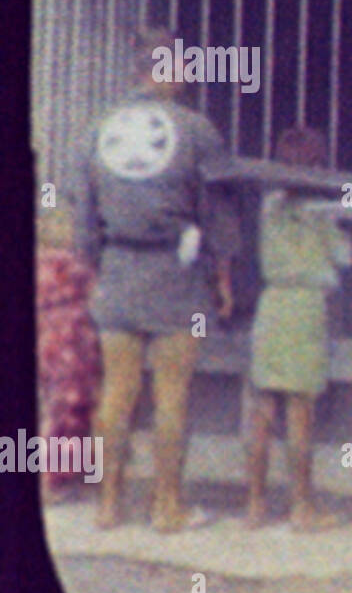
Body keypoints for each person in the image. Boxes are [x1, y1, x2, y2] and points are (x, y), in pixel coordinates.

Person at [75, 27, 240, 532]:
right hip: (176, 276)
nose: (191, 76)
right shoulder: (196, 130)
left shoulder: (96, 131)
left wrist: (99, 271)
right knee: (173, 395)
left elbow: (85, 224)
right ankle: (167, 507)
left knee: (115, 396)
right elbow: (220, 216)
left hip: (118, 277)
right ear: (166, 70)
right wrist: (225, 278)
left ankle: (108, 506)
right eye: (186, 67)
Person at [245, 127, 352, 532]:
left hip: (270, 303)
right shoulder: (320, 211)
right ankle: (301, 507)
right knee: (299, 413)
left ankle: (255, 506)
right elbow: (342, 258)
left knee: (261, 410)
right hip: (306, 305)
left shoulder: (268, 205)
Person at [37, 200, 101, 503]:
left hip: (43, 338)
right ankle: (55, 478)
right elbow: (96, 295)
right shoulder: (73, 264)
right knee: (69, 410)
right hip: (69, 342)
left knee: (51, 407)